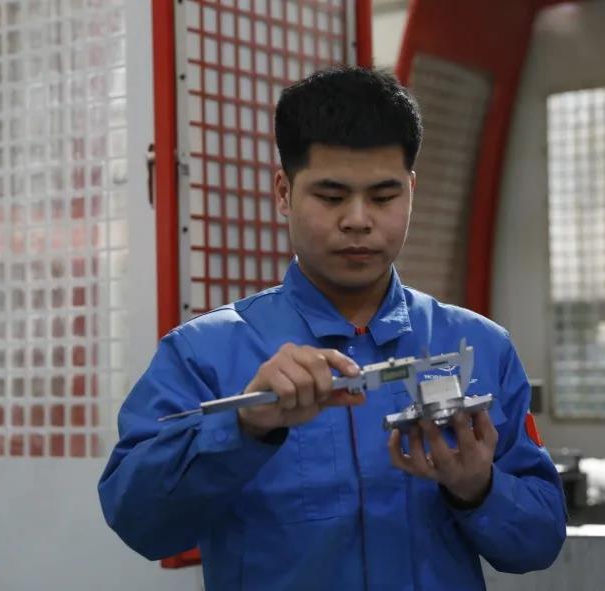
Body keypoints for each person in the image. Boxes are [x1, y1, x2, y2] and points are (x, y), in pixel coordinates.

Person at [98, 67, 566, 590]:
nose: (358, 220)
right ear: (283, 191)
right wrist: (244, 428)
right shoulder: (204, 354)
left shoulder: (478, 346)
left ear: (411, 192)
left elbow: (540, 541)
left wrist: (478, 488)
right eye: (331, 196)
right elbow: (138, 522)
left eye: (383, 197)